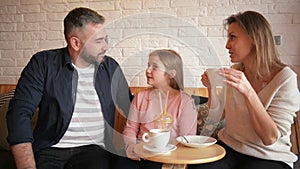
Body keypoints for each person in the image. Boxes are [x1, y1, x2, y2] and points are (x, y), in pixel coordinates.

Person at [6, 7, 132, 169]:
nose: (105, 46)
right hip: (49, 149)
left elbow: (130, 106)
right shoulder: (43, 63)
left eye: (106, 39)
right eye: (99, 41)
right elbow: (19, 112)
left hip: (94, 151)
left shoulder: (110, 67)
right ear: (75, 43)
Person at [189, 11, 300, 169]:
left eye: (233, 37)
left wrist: (248, 91)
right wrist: (211, 88)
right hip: (230, 148)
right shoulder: (237, 71)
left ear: (254, 38)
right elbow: (219, 115)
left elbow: (269, 138)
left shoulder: (284, 79)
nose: (227, 45)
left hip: (269, 156)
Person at [115, 49, 198, 169]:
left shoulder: (185, 101)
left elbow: (186, 138)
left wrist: (162, 150)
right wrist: (131, 147)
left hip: (168, 155)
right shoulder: (141, 97)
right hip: (140, 152)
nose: (148, 70)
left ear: (171, 73)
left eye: (155, 67)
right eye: (148, 65)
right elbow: (131, 128)